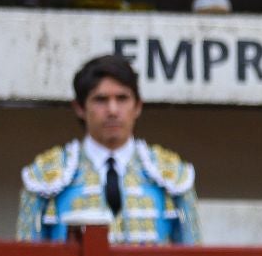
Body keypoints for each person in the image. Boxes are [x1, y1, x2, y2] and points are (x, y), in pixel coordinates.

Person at [16, 54, 199, 245]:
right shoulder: (46, 175)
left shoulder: (171, 173)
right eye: (100, 99)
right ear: (79, 108)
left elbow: (193, 255)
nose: (112, 110)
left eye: (122, 98)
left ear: (137, 106)